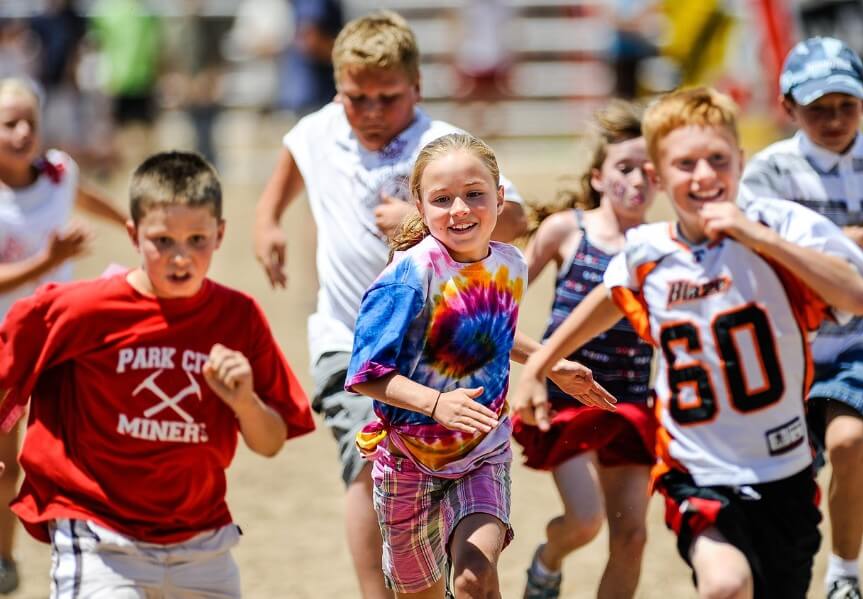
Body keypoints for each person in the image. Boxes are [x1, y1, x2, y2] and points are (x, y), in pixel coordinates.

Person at [513, 87, 863, 599]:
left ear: (740, 161)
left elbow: (858, 296)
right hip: (696, 468)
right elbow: (610, 297)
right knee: (724, 585)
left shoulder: (782, 224)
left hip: (785, 467)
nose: (704, 175)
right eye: (685, 164)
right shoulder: (649, 251)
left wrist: (758, 238)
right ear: (660, 177)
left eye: (718, 159)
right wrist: (539, 365)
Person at [253, 11, 528, 597]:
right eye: (358, 98)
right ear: (337, 90)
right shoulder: (317, 131)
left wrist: (423, 219)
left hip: (443, 349)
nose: (373, 111)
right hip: (347, 339)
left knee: (469, 553)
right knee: (363, 465)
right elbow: (283, 175)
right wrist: (267, 223)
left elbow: (517, 216)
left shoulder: (444, 146)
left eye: (389, 98)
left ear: (417, 89)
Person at [0, 150, 316, 597]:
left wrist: (244, 402)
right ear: (133, 234)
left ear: (221, 234)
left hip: (203, 540)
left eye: (197, 240)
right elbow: (7, 364)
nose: (180, 257)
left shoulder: (237, 317)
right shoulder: (79, 309)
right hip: (98, 537)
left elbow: (270, 443)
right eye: (162, 241)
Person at [345, 132, 613, 598]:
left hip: (482, 451)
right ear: (420, 205)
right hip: (407, 460)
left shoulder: (510, 263)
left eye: (474, 194)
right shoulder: (410, 275)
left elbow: (491, 331)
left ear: (499, 196)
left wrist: (551, 363)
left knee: (473, 574)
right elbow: (366, 373)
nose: (460, 210)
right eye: (442, 199)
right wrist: (434, 403)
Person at [739, 36, 863, 599]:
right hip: (785, 345)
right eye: (818, 109)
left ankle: (846, 575)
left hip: (861, 340)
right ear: (788, 108)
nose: (834, 119)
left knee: (850, 441)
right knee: (789, 479)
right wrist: (839, 245)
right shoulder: (770, 172)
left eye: (846, 105)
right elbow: (748, 253)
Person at [512, 100, 656, 599]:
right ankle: (547, 562)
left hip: (632, 401)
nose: (638, 180)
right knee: (586, 519)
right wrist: (534, 364)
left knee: (633, 537)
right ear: (598, 177)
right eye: (625, 168)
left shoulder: (662, 244)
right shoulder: (566, 230)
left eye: (649, 170)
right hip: (567, 400)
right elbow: (496, 304)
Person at [0, 76, 126, 594]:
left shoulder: (58, 172)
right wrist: (47, 261)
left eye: (31, 120)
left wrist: (130, 221)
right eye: (10, 123)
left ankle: (87, 549)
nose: (23, 131)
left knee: (74, 446)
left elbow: (82, 195)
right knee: (6, 461)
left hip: (57, 335)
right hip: (5, 344)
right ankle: (3, 558)